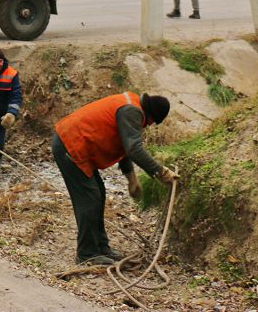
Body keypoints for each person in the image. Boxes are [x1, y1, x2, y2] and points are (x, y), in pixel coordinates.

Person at [52, 91, 178, 266]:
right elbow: (133, 148)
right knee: (90, 199)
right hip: (70, 144)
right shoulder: (132, 111)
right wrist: (160, 172)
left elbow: (124, 145)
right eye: (151, 123)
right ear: (151, 116)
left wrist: (131, 179)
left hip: (76, 143)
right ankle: (87, 254)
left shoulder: (131, 104)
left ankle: (101, 247)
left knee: (99, 194)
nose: (147, 126)